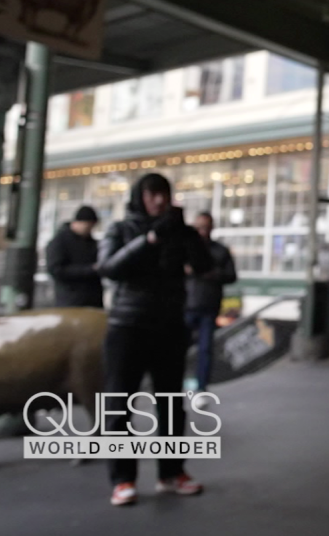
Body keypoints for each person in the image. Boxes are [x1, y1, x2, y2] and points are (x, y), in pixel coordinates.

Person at [97, 173, 213, 507]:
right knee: (119, 405)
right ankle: (122, 480)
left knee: (171, 405)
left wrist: (187, 234)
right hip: (127, 325)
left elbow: (204, 265)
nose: (159, 200)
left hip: (170, 325)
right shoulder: (120, 229)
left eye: (163, 194)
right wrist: (149, 239)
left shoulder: (179, 232)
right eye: (152, 194)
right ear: (140, 197)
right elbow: (109, 267)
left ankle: (172, 473)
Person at [185, 212, 237, 394]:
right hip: (186, 305)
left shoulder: (220, 250)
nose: (202, 232)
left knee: (205, 349)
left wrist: (212, 274)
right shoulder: (185, 249)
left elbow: (231, 276)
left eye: (205, 227)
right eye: (199, 227)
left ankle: (201, 386)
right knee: (176, 348)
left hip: (208, 305)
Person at [45, 205, 103, 308]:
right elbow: (56, 269)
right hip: (70, 300)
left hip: (92, 300)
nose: (90, 230)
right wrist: (89, 269)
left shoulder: (91, 242)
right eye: (88, 226)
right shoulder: (60, 242)